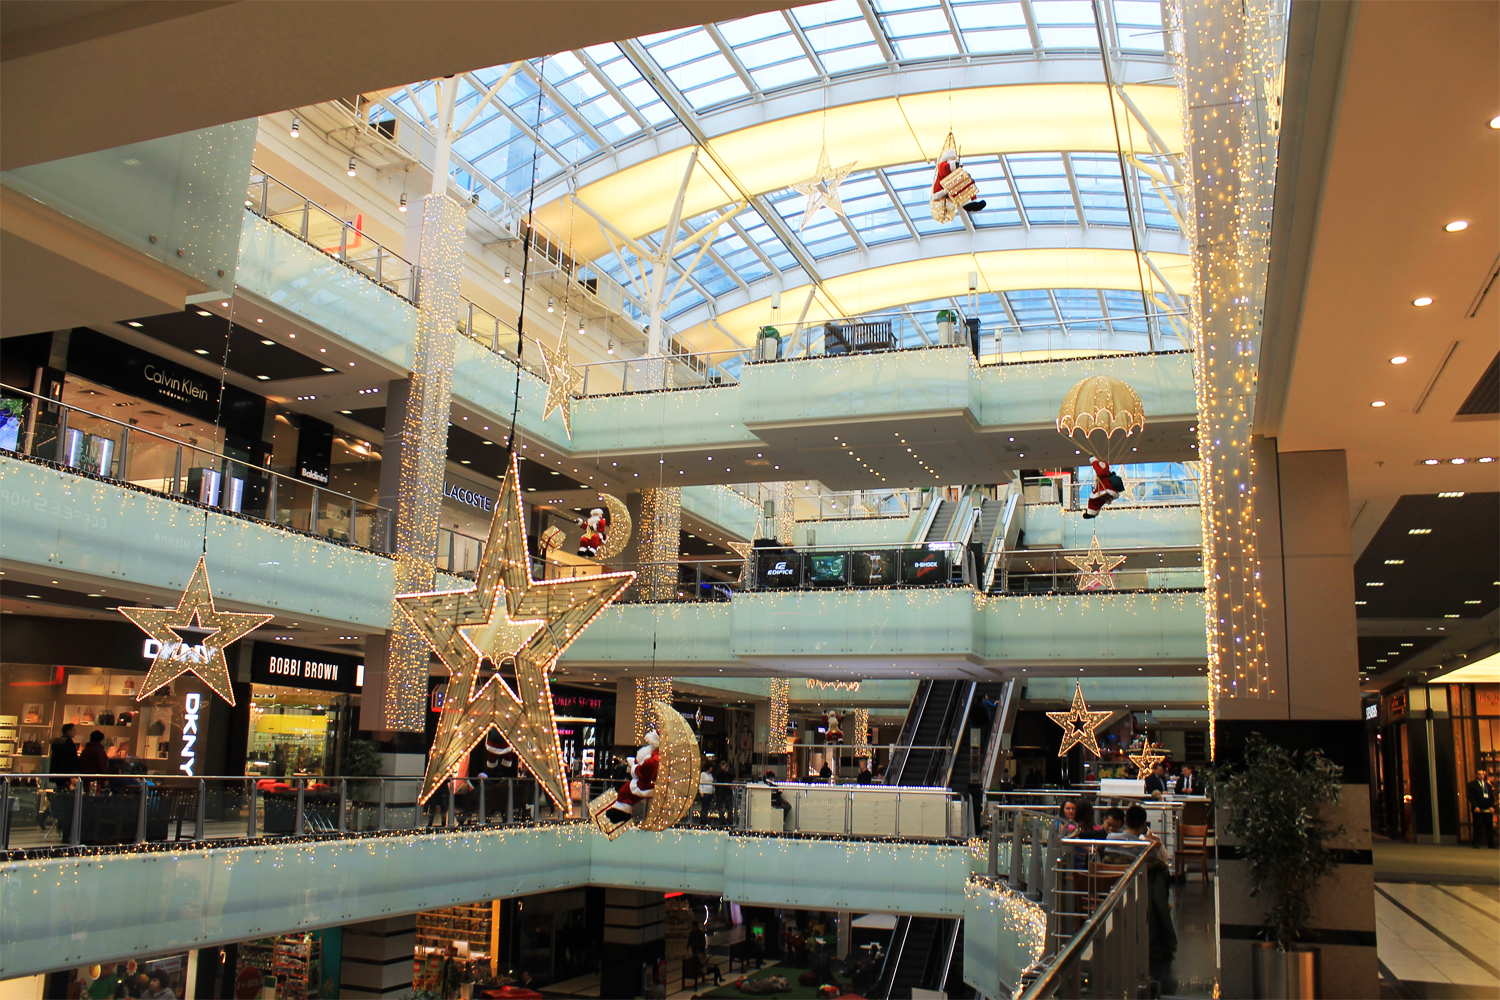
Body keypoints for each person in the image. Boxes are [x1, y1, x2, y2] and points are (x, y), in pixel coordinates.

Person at [1082, 455, 1123, 519]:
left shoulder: (1102, 474)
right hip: (1109, 489)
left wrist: (1093, 460)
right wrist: (1093, 460)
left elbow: (1097, 468)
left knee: (1096, 499)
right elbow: (1096, 468)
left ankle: (1091, 512)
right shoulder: (1106, 473)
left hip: (1107, 490)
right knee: (1095, 499)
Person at [1467, 768, 1497, 848]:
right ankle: (1476, 843)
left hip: (1487, 809)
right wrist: (1475, 806)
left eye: (1482, 774)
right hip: (1478, 809)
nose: (1481, 776)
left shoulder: (1488, 785)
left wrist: (1492, 806)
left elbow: (1492, 797)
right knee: (1478, 826)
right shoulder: (1472, 785)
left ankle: (1491, 844)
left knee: (1489, 827)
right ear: (1476, 775)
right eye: (1479, 774)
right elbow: (1471, 797)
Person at [49, 723, 79, 789]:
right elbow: (67, 761)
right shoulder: (68, 744)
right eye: (73, 730)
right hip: (65, 775)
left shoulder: (58, 743)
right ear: (68, 731)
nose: (75, 732)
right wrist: (67, 777)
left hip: (57, 774)